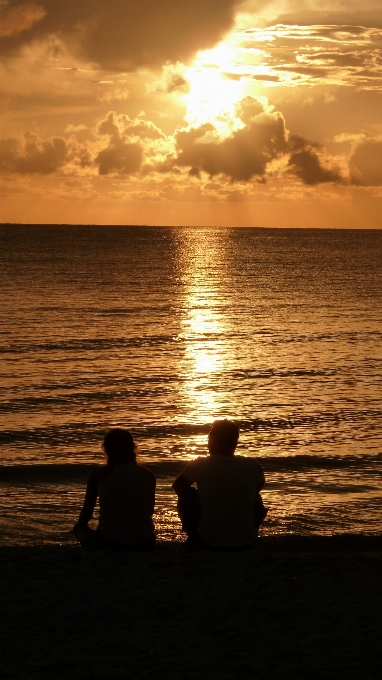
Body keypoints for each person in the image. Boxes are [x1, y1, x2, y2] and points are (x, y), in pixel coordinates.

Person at [172, 419, 267, 551]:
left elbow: (177, 486)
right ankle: (246, 532)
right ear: (235, 443)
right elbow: (259, 486)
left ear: (212, 442)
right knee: (255, 497)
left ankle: (193, 538)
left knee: (187, 495)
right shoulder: (253, 466)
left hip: (208, 542)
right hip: (247, 542)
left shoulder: (200, 464)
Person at [73, 428, 156, 551]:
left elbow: (86, 513)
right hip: (146, 542)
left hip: (110, 542)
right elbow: (148, 511)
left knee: (79, 529)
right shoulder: (148, 475)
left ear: (107, 450)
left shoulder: (98, 475)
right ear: (132, 448)